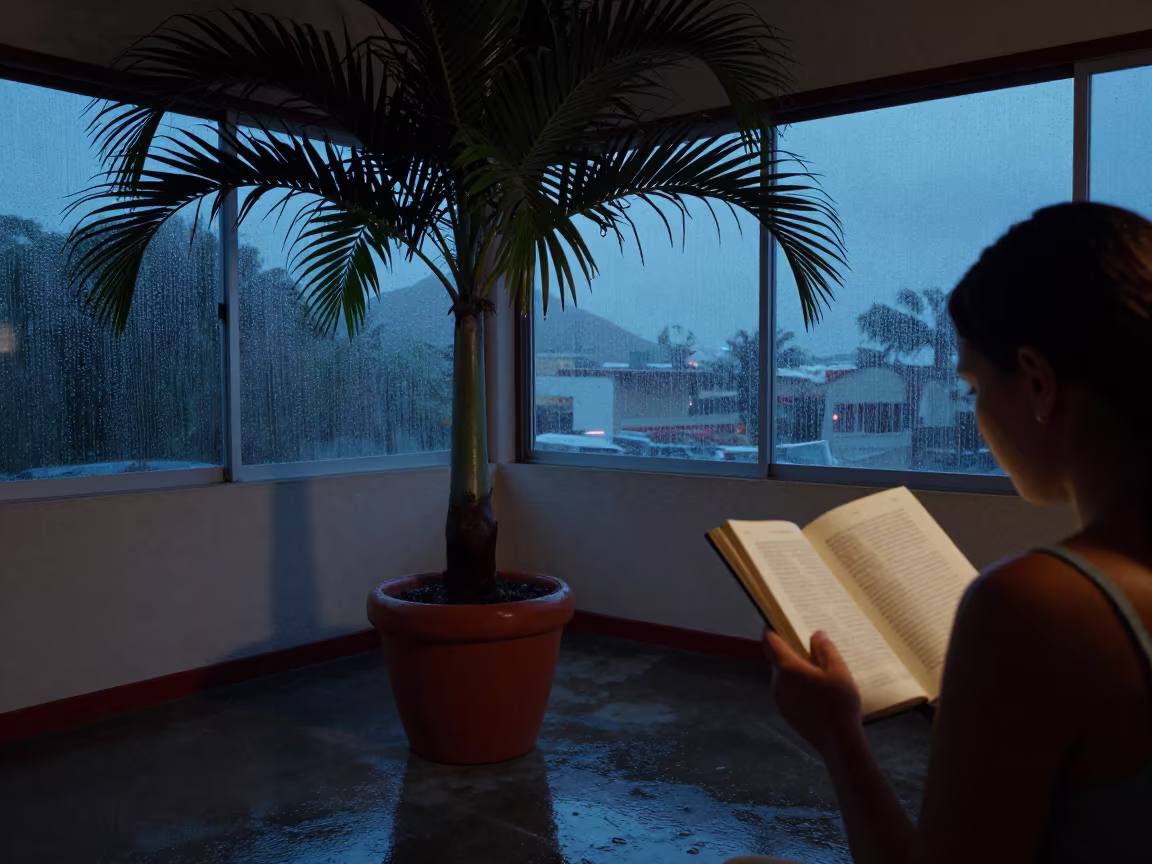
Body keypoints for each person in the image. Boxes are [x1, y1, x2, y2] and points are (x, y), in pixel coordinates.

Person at [730, 201, 1152, 864]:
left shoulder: (1039, 607)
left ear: (1039, 382)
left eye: (974, 385)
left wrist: (837, 733)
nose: (976, 412)